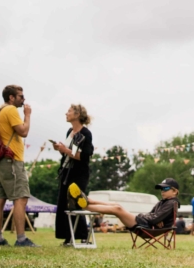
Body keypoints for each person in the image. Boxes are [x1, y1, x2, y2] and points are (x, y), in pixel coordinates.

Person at [0, 85, 36, 247]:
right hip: (11, 161)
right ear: (11, 97)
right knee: (21, 198)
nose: (23, 99)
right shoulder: (10, 110)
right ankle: (21, 239)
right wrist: (27, 115)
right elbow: (23, 131)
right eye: (21, 96)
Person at [77, 178, 180, 237]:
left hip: (148, 229)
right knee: (117, 205)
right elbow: (152, 216)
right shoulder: (162, 202)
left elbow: (153, 219)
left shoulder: (171, 203)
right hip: (147, 225)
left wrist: (154, 218)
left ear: (175, 191)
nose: (162, 191)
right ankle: (89, 201)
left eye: (165, 188)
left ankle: (85, 206)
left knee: (117, 209)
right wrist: (155, 218)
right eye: (161, 189)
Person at [53, 104, 94, 246]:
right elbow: (68, 153)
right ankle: (68, 236)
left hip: (79, 174)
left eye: (69, 111)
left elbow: (84, 156)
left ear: (77, 115)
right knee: (64, 204)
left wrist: (65, 150)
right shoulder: (69, 131)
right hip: (66, 172)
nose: (66, 113)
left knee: (76, 202)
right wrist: (60, 149)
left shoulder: (86, 134)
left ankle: (83, 236)